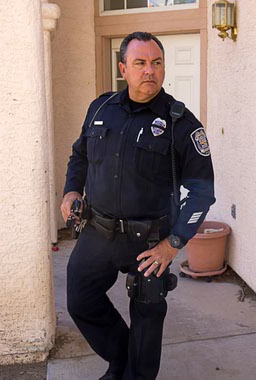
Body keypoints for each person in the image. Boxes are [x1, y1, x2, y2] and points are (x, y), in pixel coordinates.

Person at [61, 31, 215, 380]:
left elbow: (202, 194)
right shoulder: (100, 109)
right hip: (97, 232)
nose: (150, 71)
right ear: (123, 69)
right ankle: (121, 365)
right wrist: (71, 192)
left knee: (147, 320)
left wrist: (173, 244)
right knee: (81, 300)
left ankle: (134, 374)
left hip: (150, 242)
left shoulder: (182, 124)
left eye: (157, 63)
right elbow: (79, 155)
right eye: (140, 63)